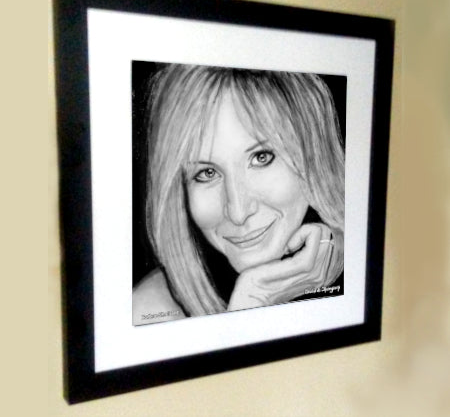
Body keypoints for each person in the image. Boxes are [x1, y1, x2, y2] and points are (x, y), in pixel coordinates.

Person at [133, 64, 344, 325]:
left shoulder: (364, 264)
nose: (238, 212)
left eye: (261, 157)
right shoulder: (148, 310)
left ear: (314, 154)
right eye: (207, 173)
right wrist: (254, 300)